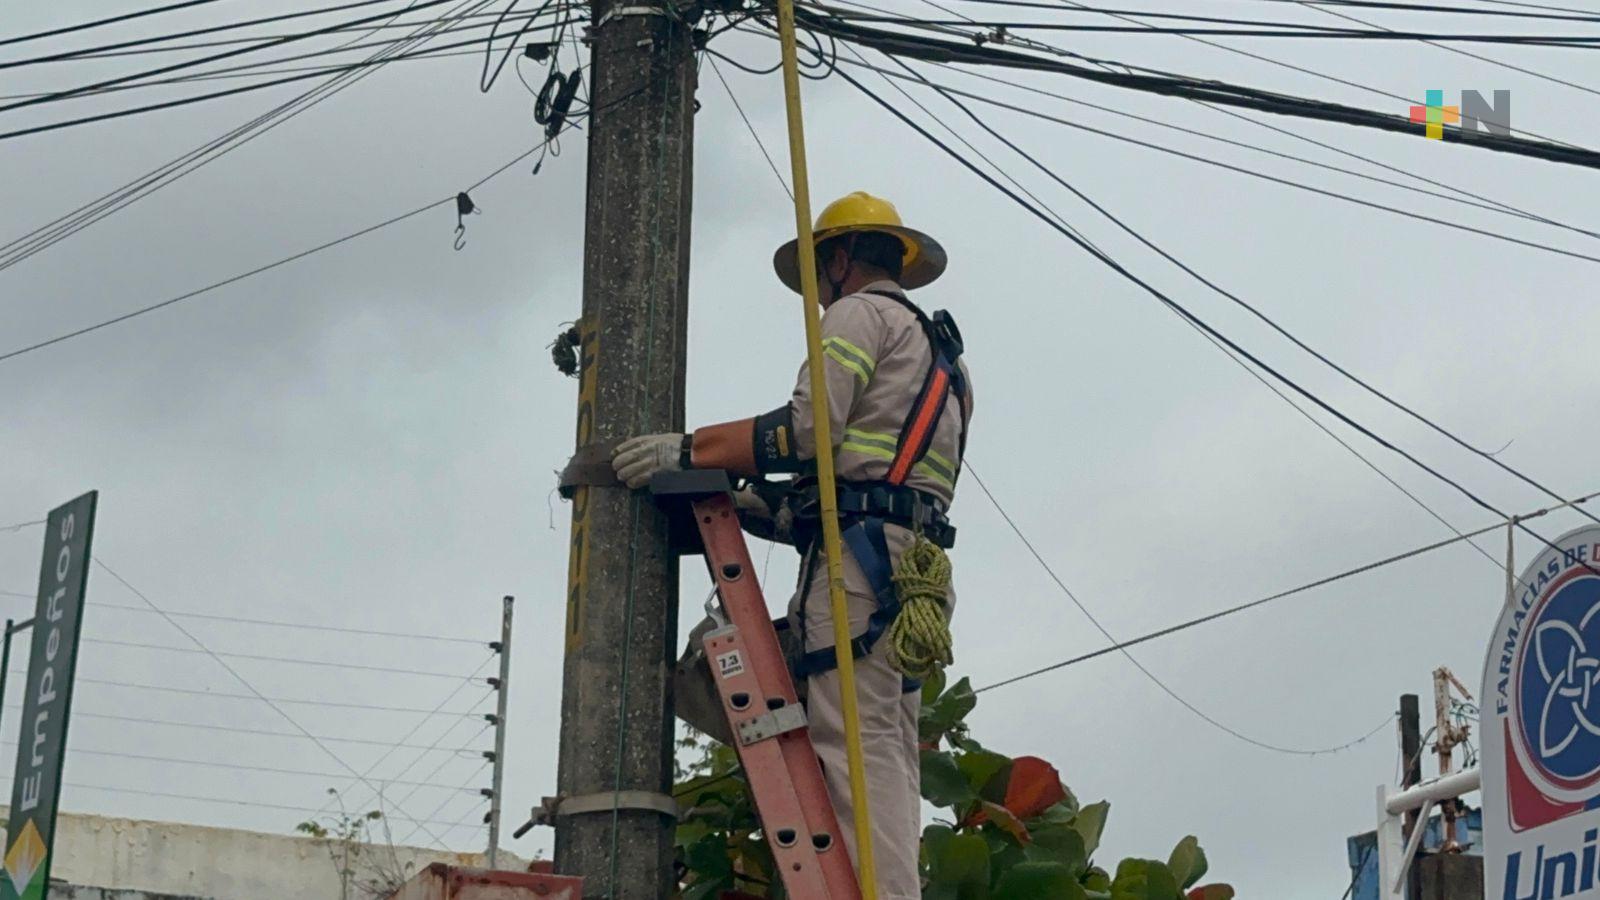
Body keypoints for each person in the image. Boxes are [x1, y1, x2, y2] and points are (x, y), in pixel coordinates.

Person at [612, 191, 972, 900]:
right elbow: (876, 479)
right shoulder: (945, 358)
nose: (817, 294)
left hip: (862, 570)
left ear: (840, 259)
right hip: (909, 567)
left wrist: (692, 449)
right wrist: (764, 506)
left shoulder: (859, 314)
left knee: (855, 750)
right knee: (888, 748)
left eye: (818, 274)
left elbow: (809, 430)